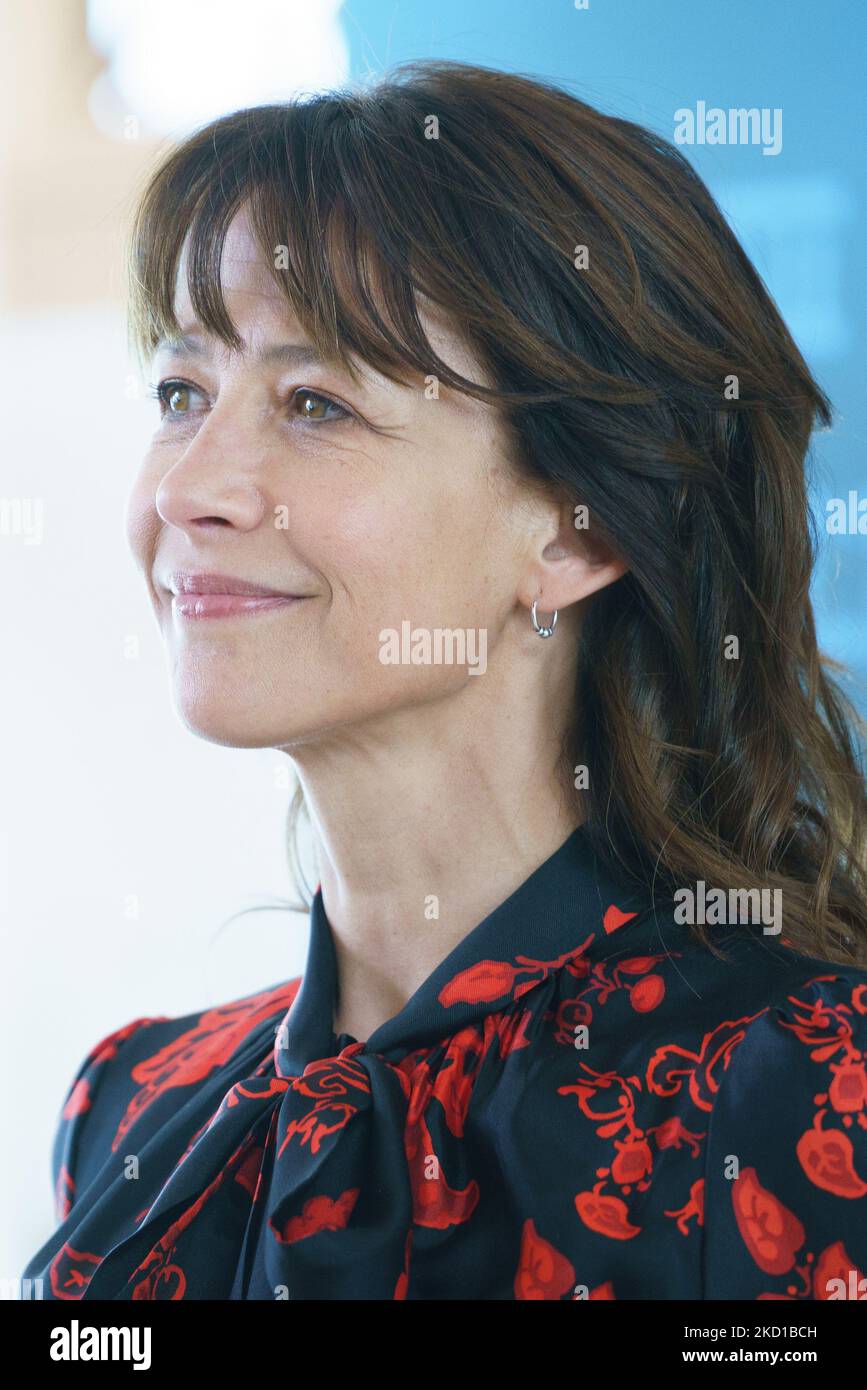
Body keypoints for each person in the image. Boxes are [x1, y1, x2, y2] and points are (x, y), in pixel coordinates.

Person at [23, 59, 867, 1300]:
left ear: (579, 531)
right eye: (180, 392)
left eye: (315, 403)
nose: (190, 489)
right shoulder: (131, 1109)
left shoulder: (810, 1085)